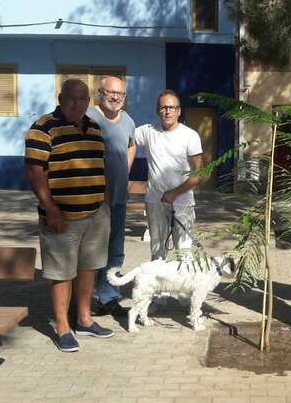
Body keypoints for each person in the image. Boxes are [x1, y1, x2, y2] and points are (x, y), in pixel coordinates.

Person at [25, 79, 114, 352]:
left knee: (88, 268)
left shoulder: (95, 128)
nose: (77, 103)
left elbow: (100, 166)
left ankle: (84, 320)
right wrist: (50, 208)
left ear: (89, 101)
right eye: (72, 98)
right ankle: (63, 327)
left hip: (96, 215)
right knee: (62, 273)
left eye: (83, 99)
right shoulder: (42, 128)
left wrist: (104, 201)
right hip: (61, 217)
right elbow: (34, 172)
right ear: (61, 98)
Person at [87, 76, 136, 317]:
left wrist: (125, 167)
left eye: (121, 94)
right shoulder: (88, 118)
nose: (116, 97)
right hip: (93, 201)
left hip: (118, 199)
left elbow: (132, 144)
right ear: (100, 92)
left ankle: (108, 297)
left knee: (115, 250)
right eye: (111, 92)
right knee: (90, 252)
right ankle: (84, 301)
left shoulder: (127, 120)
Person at [134, 90, 204, 260]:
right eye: (163, 107)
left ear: (179, 111)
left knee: (184, 253)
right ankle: (159, 287)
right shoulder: (147, 131)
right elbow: (124, 138)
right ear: (158, 110)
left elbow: (199, 173)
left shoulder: (190, 135)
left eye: (172, 107)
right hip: (155, 202)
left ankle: (182, 286)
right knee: (157, 253)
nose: (168, 111)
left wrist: (175, 193)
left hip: (183, 203)